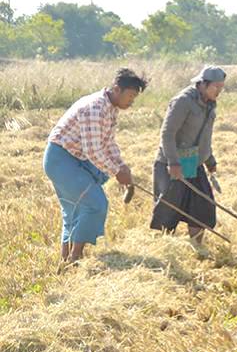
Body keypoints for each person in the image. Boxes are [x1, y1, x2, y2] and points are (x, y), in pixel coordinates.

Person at [43, 68, 147, 263]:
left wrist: (122, 166)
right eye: (131, 96)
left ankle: (66, 261)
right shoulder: (95, 108)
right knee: (95, 204)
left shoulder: (110, 108)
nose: (132, 101)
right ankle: (76, 257)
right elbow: (94, 152)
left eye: (135, 97)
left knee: (74, 209)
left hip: (75, 158)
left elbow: (108, 143)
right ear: (117, 89)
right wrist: (116, 172)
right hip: (61, 159)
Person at [150, 65, 225, 242]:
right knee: (169, 208)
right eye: (216, 87)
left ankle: (197, 246)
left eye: (221, 87)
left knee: (203, 205)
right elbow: (167, 133)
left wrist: (210, 159)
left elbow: (205, 135)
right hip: (172, 163)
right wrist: (173, 163)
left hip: (194, 163)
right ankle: (165, 247)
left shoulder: (209, 104)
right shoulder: (183, 101)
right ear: (203, 84)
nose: (219, 91)